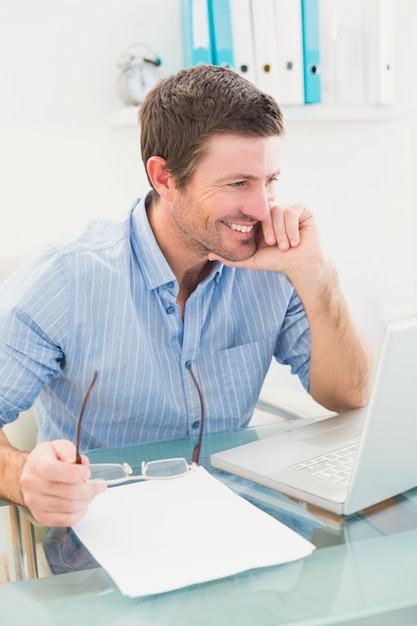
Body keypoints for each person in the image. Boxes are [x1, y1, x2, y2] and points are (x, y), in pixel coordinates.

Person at [0, 64, 373, 527]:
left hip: (232, 513)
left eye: (270, 180)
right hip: (101, 523)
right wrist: (21, 476)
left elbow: (350, 396)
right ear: (165, 177)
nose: (261, 209)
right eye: (238, 183)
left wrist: (320, 276)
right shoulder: (66, 276)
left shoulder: (277, 262)